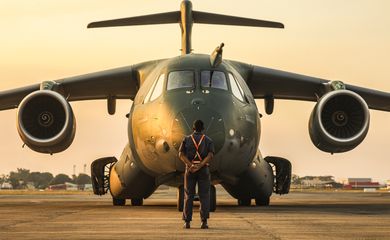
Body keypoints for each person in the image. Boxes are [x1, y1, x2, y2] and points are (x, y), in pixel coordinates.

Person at [179, 119, 215, 229]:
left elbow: (181, 154)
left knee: (188, 195)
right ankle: (204, 222)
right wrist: (201, 165)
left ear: (193, 128)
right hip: (203, 169)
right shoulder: (208, 140)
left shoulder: (186, 139)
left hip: (190, 170)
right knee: (204, 196)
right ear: (203, 128)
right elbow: (210, 155)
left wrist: (190, 165)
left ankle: (187, 222)